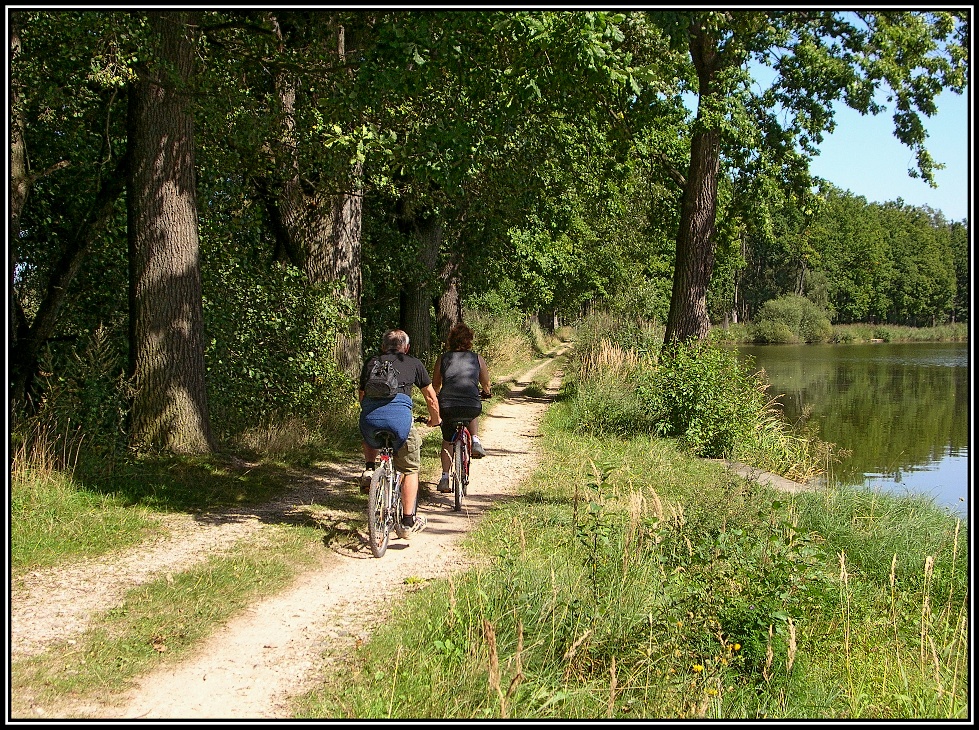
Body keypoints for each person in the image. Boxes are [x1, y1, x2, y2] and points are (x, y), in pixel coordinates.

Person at [358, 329, 440, 536]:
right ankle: (407, 522)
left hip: (370, 419)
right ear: (406, 347)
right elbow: (430, 397)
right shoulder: (413, 363)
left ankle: (369, 469)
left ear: (383, 347)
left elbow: (361, 396)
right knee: (410, 469)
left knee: (369, 427)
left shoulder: (371, 363)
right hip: (400, 422)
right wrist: (435, 419)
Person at [431, 322, 491, 493]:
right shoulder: (477, 358)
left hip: (448, 405)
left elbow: (435, 385)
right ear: (469, 341)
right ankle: (476, 439)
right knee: (472, 405)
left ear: (450, 340)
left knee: (448, 440)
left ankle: (444, 477)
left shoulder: (443, 359)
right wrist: (487, 392)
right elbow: (486, 384)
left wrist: (435, 401)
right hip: (470, 404)